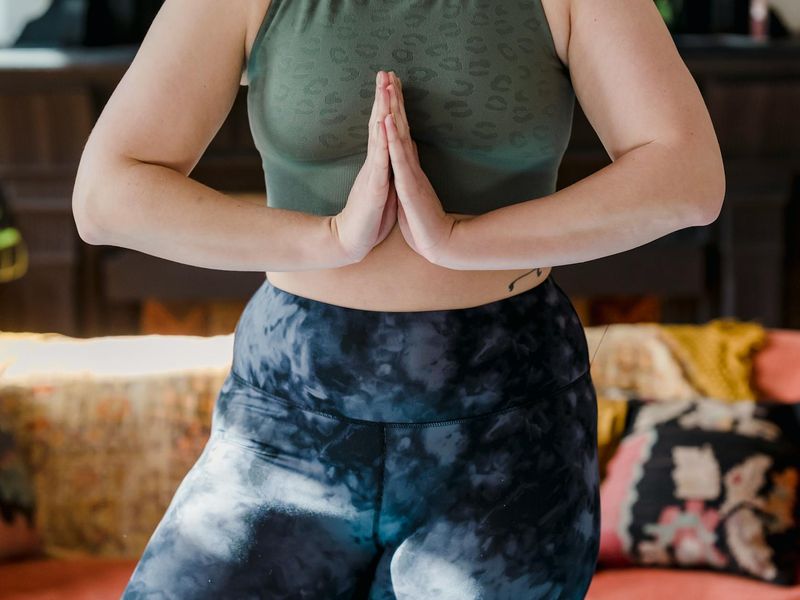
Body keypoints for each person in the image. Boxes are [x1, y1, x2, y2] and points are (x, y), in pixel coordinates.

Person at [71, 0, 725, 597]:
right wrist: (329, 238)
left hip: (506, 421)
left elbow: (687, 175)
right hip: (288, 420)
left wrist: (462, 240)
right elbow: (107, 196)